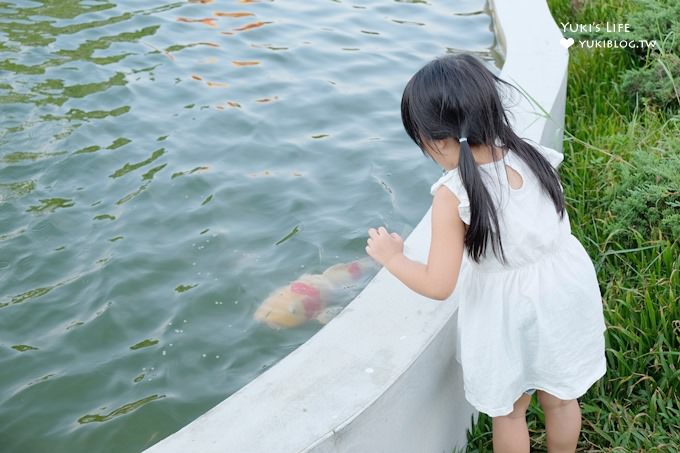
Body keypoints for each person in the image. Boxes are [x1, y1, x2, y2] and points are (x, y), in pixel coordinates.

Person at [364, 53, 607, 453]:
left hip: (506, 310)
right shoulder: (531, 155)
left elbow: (439, 284)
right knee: (561, 398)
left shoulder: (453, 194)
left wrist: (393, 258)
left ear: (439, 141)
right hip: (564, 293)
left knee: (509, 411)